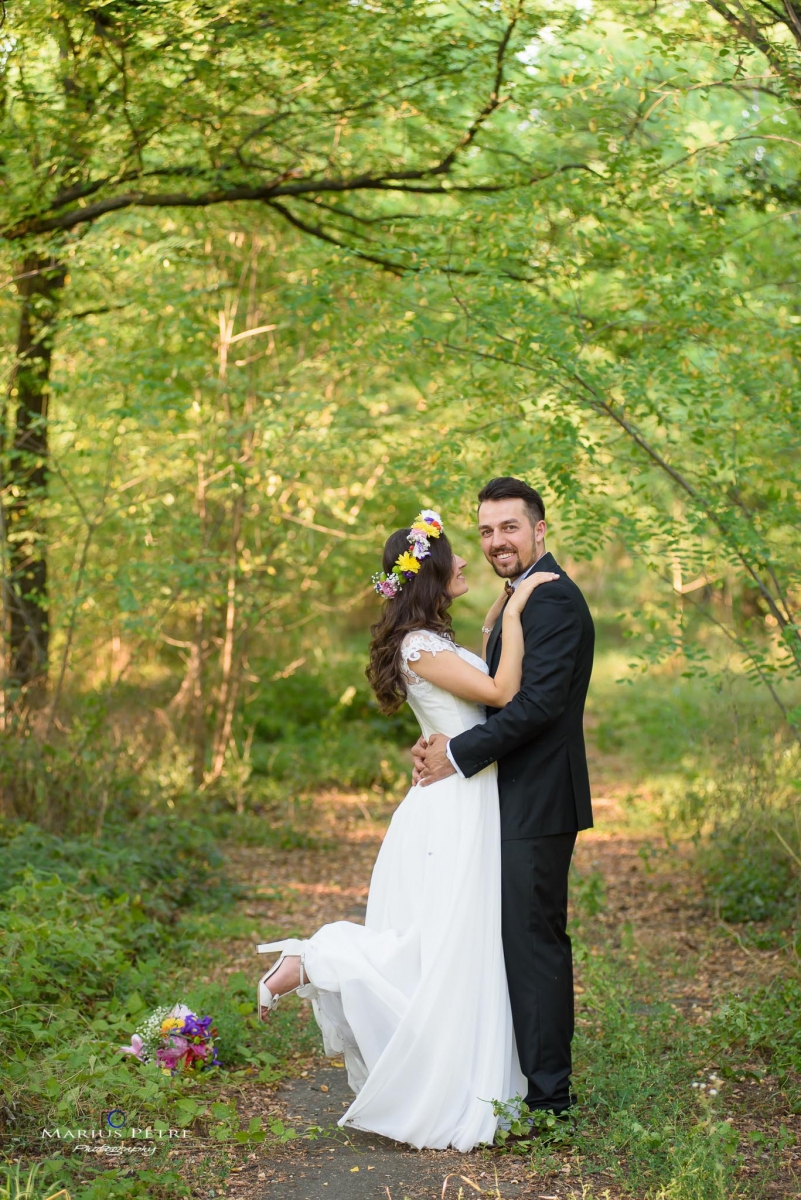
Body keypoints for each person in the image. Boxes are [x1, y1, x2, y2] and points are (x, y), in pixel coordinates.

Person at [254, 507, 559, 1151]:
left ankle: (461, 1079)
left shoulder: (430, 640)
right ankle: (316, 955)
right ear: (431, 574)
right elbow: (503, 693)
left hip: (465, 797)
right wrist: (512, 611)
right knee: (436, 943)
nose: (468, 561)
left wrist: (492, 621)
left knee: (454, 946)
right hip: (453, 810)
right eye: (456, 554)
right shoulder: (420, 646)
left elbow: (462, 706)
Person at [414, 478, 595, 1118]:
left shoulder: (554, 601)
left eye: (509, 528)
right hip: (507, 797)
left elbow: (539, 705)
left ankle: (551, 1101)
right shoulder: (519, 600)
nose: (496, 542)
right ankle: (520, 1082)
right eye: (487, 531)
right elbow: (495, 691)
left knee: (534, 942)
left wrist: (458, 755)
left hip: (538, 799)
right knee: (511, 940)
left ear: (539, 530)